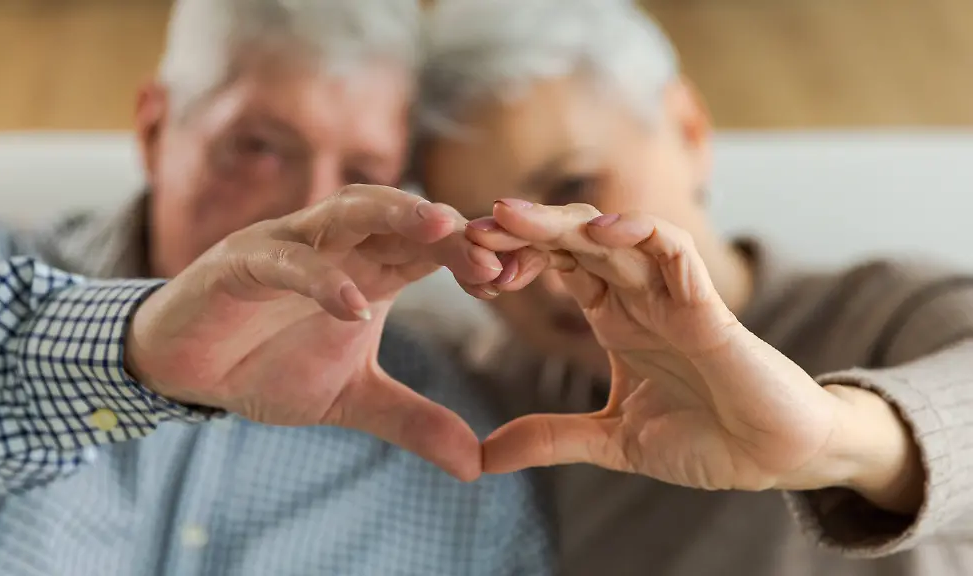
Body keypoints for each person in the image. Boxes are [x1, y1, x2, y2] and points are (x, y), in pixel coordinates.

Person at [0, 1, 551, 574]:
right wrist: (134, 350)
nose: (317, 209)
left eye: (362, 175)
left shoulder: (445, 443)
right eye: (260, 148)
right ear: (156, 129)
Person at [412, 0, 973, 574]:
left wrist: (838, 442)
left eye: (576, 185)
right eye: (489, 240)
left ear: (689, 128)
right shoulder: (504, 395)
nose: (554, 285)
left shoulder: (885, 311)